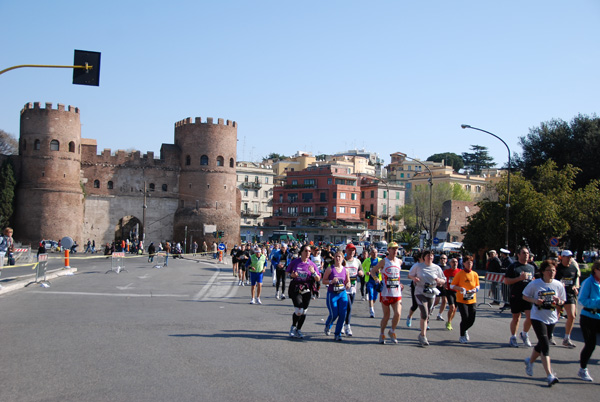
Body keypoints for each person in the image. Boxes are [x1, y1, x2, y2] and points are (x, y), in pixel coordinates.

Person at [522, 260, 566, 387]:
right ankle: (550, 375)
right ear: (543, 272)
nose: (552, 273)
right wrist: (535, 301)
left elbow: (563, 301)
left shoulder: (558, 285)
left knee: (542, 344)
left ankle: (529, 361)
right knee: (545, 345)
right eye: (549, 270)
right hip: (537, 317)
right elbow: (525, 296)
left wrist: (559, 301)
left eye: (553, 270)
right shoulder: (535, 284)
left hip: (551, 317)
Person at [408, 249, 445, 346]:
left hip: (431, 292)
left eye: (432, 255)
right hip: (420, 291)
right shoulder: (418, 266)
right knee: (424, 313)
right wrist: (414, 278)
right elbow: (409, 275)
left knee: (427, 315)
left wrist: (439, 281)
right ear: (424, 257)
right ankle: (423, 336)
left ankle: (421, 334)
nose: (430, 257)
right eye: (428, 255)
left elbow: (444, 280)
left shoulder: (436, 268)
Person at [371, 242, 403, 344]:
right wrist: (376, 279)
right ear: (388, 250)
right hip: (385, 293)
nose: (395, 251)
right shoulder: (384, 261)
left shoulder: (399, 261)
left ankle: (392, 331)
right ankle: (382, 333)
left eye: (396, 249)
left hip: (397, 293)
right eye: (393, 249)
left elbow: (396, 276)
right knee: (386, 316)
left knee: (398, 313)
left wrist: (400, 283)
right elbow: (373, 271)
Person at [286, 244, 321, 339]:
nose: (308, 253)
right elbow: (287, 272)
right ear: (301, 252)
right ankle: (293, 326)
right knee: (298, 310)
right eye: (306, 251)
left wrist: (313, 272)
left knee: (304, 311)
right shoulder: (295, 262)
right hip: (296, 288)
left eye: (309, 251)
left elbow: (318, 279)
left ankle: (299, 329)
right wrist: (292, 275)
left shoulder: (312, 264)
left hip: (307, 289)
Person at [504, 246, 536, 347]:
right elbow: (506, 281)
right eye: (524, 253)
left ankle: (524, 334)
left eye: (527, 253)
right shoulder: (513, 266)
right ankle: (513, 337)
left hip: (528, 296)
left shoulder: (531, 267)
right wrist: (519, 278)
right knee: (516, 318)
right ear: (518, 255)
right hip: (516, 295)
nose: (526, 255)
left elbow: (534, 279)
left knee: (531, 316)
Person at [576, 259, 600, 382]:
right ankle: (583, 369)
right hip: (588, 317)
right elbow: (582, 300)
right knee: (590, 345)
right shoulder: (588, 282)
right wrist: (597, 303)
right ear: (595, 270)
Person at [451, 255, 480, 343]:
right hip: (461, 299)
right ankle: (462, 335)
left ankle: (465, 329)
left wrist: (475, 289)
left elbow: (478, 285)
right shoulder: (460, 274)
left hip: (472, 299)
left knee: (472, 319)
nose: (469, 264)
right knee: (465, 317)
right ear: (463, 263)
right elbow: (452, 285)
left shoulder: (475, 274)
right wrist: (460, 289)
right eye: (467, 263)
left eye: (471, 263)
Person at [554, 250, 580, 348]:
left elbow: (574, 281)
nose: (569, 259)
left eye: (570, 257)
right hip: (559, 295)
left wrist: (575, 288)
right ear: (562, 257)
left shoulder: (573, 268)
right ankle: (550, 335)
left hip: (569, 295)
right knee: (555, 317)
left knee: (572, 316)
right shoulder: (557, 269)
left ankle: (567, 338)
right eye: (567, 257)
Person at [323, 250, 350, 341]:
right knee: (334, 313)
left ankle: (337, 334)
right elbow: (323, 281)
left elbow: (348, 281)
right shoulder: (330, 269)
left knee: (342, 314)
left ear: (343, 258)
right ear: (334, 258)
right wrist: (331, 281)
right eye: (336, 256)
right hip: (332, 294)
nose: (338, 258)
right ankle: (328, 325)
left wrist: (348, 284)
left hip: (342, 294)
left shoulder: (345, 270)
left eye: (340, 257)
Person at [342, 243, 364, 336]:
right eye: (350, 250)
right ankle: (347, 326)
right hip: (343, 288)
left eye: (353, 250)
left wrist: (361, 273)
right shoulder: (343, 261)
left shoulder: (357, 261)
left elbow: (362, 271)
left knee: (348, 308)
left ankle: (343, 324)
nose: (352, 252)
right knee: (348, 306)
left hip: (353, 288)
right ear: (346, 251)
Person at [406, 251, 423, 327]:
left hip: (425, 288)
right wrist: (414, 278)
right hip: (416, 286)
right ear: (420, 258)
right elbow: (408, 276)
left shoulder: (429, 266)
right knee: (415, 305)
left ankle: (425, 322)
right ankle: (409, 316)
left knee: (425, 306)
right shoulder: (416, 265)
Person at [362, 247, 381, 318]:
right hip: (370, 280)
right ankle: (371, 311)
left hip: (377, 280)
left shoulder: (380, 260)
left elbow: (384, 269)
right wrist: (365, 272)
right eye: (373, 252)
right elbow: (362, 267)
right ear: (370, 253)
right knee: (371, 295)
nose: (374, 254)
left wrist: (380, 271)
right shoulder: (367, 260)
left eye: (376, 252)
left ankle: (371, 305)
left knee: (375, 297)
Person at [443, 257, 461, 330]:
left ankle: (449, 321)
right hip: (449, 291)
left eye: (456, 262)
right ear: (450, 263)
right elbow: (442, 279)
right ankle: (449, 322)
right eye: (453, 262)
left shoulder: (460, 271)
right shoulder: (447, 271)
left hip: (457, 292)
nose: (455, 263)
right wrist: (444, 284)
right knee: (452, 307)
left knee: (455, 309)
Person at [435, 254, 449, 321]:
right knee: (437, 301)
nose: (443, 260)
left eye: (444, 258)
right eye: (441, 258)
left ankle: (440, 314)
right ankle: (431, 308)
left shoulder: (448, 268)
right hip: (438, 286)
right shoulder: (437, 267)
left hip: (444, 286)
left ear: (446, 260)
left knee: (444, 300)